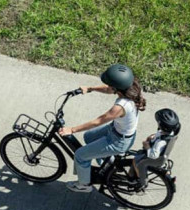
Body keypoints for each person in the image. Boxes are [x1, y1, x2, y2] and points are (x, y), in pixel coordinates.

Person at [59, 64, 146, 193]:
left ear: (116, 87)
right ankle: (108, 164)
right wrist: (90, 88)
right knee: (89, 137)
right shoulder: (130, 89)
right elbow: (108, 89)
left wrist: (72, 130)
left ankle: (84, 185)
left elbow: (98, 121)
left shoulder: (121, 106)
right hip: (117, 131)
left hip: (118, 141)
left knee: (80, 155)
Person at [130, 108, 180, 191]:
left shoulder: (160, 142)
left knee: (137, 161)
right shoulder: (170, 133)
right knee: (138, 156)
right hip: (162, 156)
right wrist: (153, 136)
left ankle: (141, 180)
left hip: (155, 159)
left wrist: (147, 147)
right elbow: (159, 135)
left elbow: (153, 155)